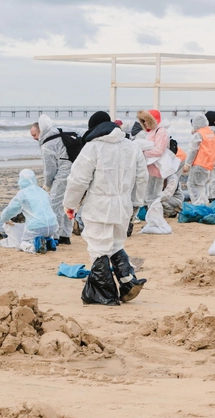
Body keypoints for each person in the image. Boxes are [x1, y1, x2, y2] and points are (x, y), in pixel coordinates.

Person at [63, 111, 148, 306]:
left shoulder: (92, 148)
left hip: (99, 205)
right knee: (116, 244)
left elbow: (77, 180)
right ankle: (128, 282)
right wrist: (136, 202)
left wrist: (70, 204)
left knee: (98, 248)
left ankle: (106, 294)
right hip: (123, 204)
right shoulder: (132, 146)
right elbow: (142, 177)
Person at [30, 115, 73, 244]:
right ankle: (65, 235)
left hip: (63, 174)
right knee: (69, 203)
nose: (34, 138)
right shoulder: (59, 134)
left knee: (55, 205)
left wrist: (47, 185)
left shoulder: (47, 145)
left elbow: (49, 169)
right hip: (75, 172)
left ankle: (55, 236)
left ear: (41, 131)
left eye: (34, 135)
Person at [0, 169, 58, 254]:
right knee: (45, 232)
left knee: (23, 243)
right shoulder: (43, 192)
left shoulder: (22, 194)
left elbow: (10, 210)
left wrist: (4, 218)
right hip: (53, 225)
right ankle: (49, 241)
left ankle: (35, 245)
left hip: (36, 227)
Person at [183, 114, 215, 206]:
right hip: (209, 164)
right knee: (202, 186)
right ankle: (204, 203)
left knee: (192, 184)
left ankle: (198, 205)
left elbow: (193, 150)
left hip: (199, 163)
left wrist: (187, 164)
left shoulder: (198, 134)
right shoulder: (210, 133)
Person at [136, 109, 169, 205]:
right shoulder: (153, 131)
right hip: (150, 168)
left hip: (156, 169)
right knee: (149, 195)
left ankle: (154, 216)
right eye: (143, 121)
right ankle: (152, 215)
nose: (145, 123)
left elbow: (159, 150)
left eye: (146, 120)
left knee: (154, 195)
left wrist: (142, 153)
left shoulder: (161, 131)